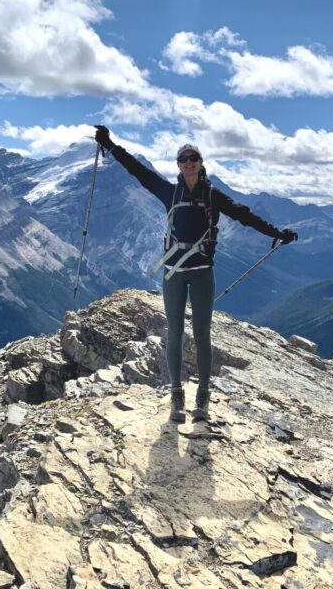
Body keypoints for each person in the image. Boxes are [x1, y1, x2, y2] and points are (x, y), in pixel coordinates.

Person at [94, 125, 297, 423]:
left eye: (194, 158)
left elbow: (244, 214)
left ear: (201, 163)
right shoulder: (168, 190)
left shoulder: (213, 195)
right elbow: (136, 170)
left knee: (202, 335)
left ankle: (203, 397)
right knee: (174, 333)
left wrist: (276, 233)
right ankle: (177, 398)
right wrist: (109, 144)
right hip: (175, 272)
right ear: (178, 165)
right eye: (183, 159)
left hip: (201, 272)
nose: (189, 162)